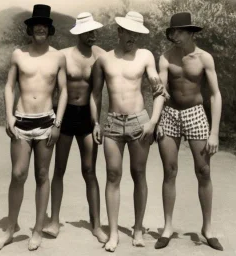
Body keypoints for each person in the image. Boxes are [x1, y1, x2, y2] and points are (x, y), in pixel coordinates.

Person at [90, 11, 166, 252]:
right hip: (112, 123)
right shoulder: (104, 59)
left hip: (139, 122)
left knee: (139, 173)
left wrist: (153, 121)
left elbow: (158, 91)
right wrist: (95, 122)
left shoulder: (145, 56)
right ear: (119, 31)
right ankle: (113, 234)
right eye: (128, 32)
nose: (132, 37)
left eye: (137, 33)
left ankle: (138, 228)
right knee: (112, 175)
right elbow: (95, 94)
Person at [0, 4, 67, 251]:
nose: (41, 28)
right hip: (21, 121)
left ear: (49, 29)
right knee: (18, 174)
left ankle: (37, 230)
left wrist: (58, 122)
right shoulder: (18, 54)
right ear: (31, 29)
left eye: (45, 25)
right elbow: (8, 86)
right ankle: (10, 228)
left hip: (47, 122)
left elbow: (64, 90)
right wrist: (8, 116)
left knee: (43, 175)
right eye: (37, 25)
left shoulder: (58, 56)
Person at [154, 12, 223, 251]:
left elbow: (215, 95)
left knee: (203, 170)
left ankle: (207, 228)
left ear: (190, 32)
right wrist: (157, 120)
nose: (175, 36)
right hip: (171, 114)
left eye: (180, 31)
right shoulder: (165, 57)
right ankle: (168, 226)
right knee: (169, 170)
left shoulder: (204, 58)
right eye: (173, 32)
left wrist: (214, 132)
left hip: (195, 113)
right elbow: (161, 91)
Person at [42, 12, 108, 243]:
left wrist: (98, 121)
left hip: (88, 117)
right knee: (58, 169)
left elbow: (106, 87)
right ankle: (54, 221)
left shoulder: (100, 56)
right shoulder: (63, 56)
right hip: (66, 113)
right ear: (79, 32)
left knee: (89, 171)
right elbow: (46, 83)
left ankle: (97, 225)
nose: (93, 35)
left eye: (94, 31)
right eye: (88, 31)